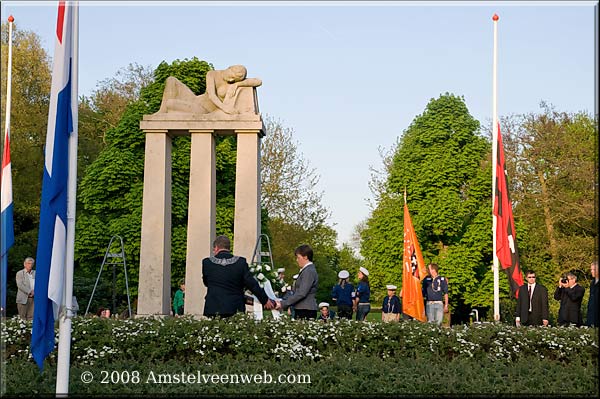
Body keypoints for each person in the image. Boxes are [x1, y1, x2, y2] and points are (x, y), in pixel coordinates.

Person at [202, 235, 275, 318]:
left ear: (216, 248)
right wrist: (265, 300)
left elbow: (206, 282)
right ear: (229, 248)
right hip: (234, 307)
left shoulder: (207, 263)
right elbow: (252, 284)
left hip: (213, 307)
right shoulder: (240, 262)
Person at [156, 65, 262, 115]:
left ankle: (166, 109)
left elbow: (258, 81)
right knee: (171, 80)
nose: (231, 80)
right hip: (195, 100)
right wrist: (225, 108)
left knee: (170, 103)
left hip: (203, 110)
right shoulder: (212, 74)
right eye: (231, 76)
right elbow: (211, 95)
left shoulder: (232, 82)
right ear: (229, 68)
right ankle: (161, 112)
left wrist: (238, 84)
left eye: (234, 80)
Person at [275, 244, 318, 320]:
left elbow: (301, 293)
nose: (297, 260)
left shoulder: (308, 271)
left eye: (298, 257)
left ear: (305, 257)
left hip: (305, 309)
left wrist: (283, 303)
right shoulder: (307, 270)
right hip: (303, 308)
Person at [586, 260, 599, 327]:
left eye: (593, 269)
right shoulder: (592, 283)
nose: (591, 271)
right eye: (591, 269)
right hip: (591, 314)